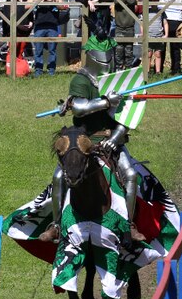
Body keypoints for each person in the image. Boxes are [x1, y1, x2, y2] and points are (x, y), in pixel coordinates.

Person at [41, 63, 146, 245]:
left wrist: (115, 137)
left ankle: (128, 225)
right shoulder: (81, 81)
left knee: (130, 174)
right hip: (83, 140)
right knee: (59, 175)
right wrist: (106, 102)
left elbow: (128, 113)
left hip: (111, 139)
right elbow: (80, 109)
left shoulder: (120, 78)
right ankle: (56, 225)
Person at [32, 0, 62, 76]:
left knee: (52, 50)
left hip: (52, 24)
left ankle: (51, 70)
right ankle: (38, 70)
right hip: (39, 24)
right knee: (38, 50)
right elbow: (30, 4)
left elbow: (61, 5)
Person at [114, 0, 138, 71]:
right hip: (119, 28)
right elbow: (116, 1)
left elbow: (133, 1)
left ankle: (128, 70)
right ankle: (119, 69)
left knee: (129, 51)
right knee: (119, 51)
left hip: (129, 28)